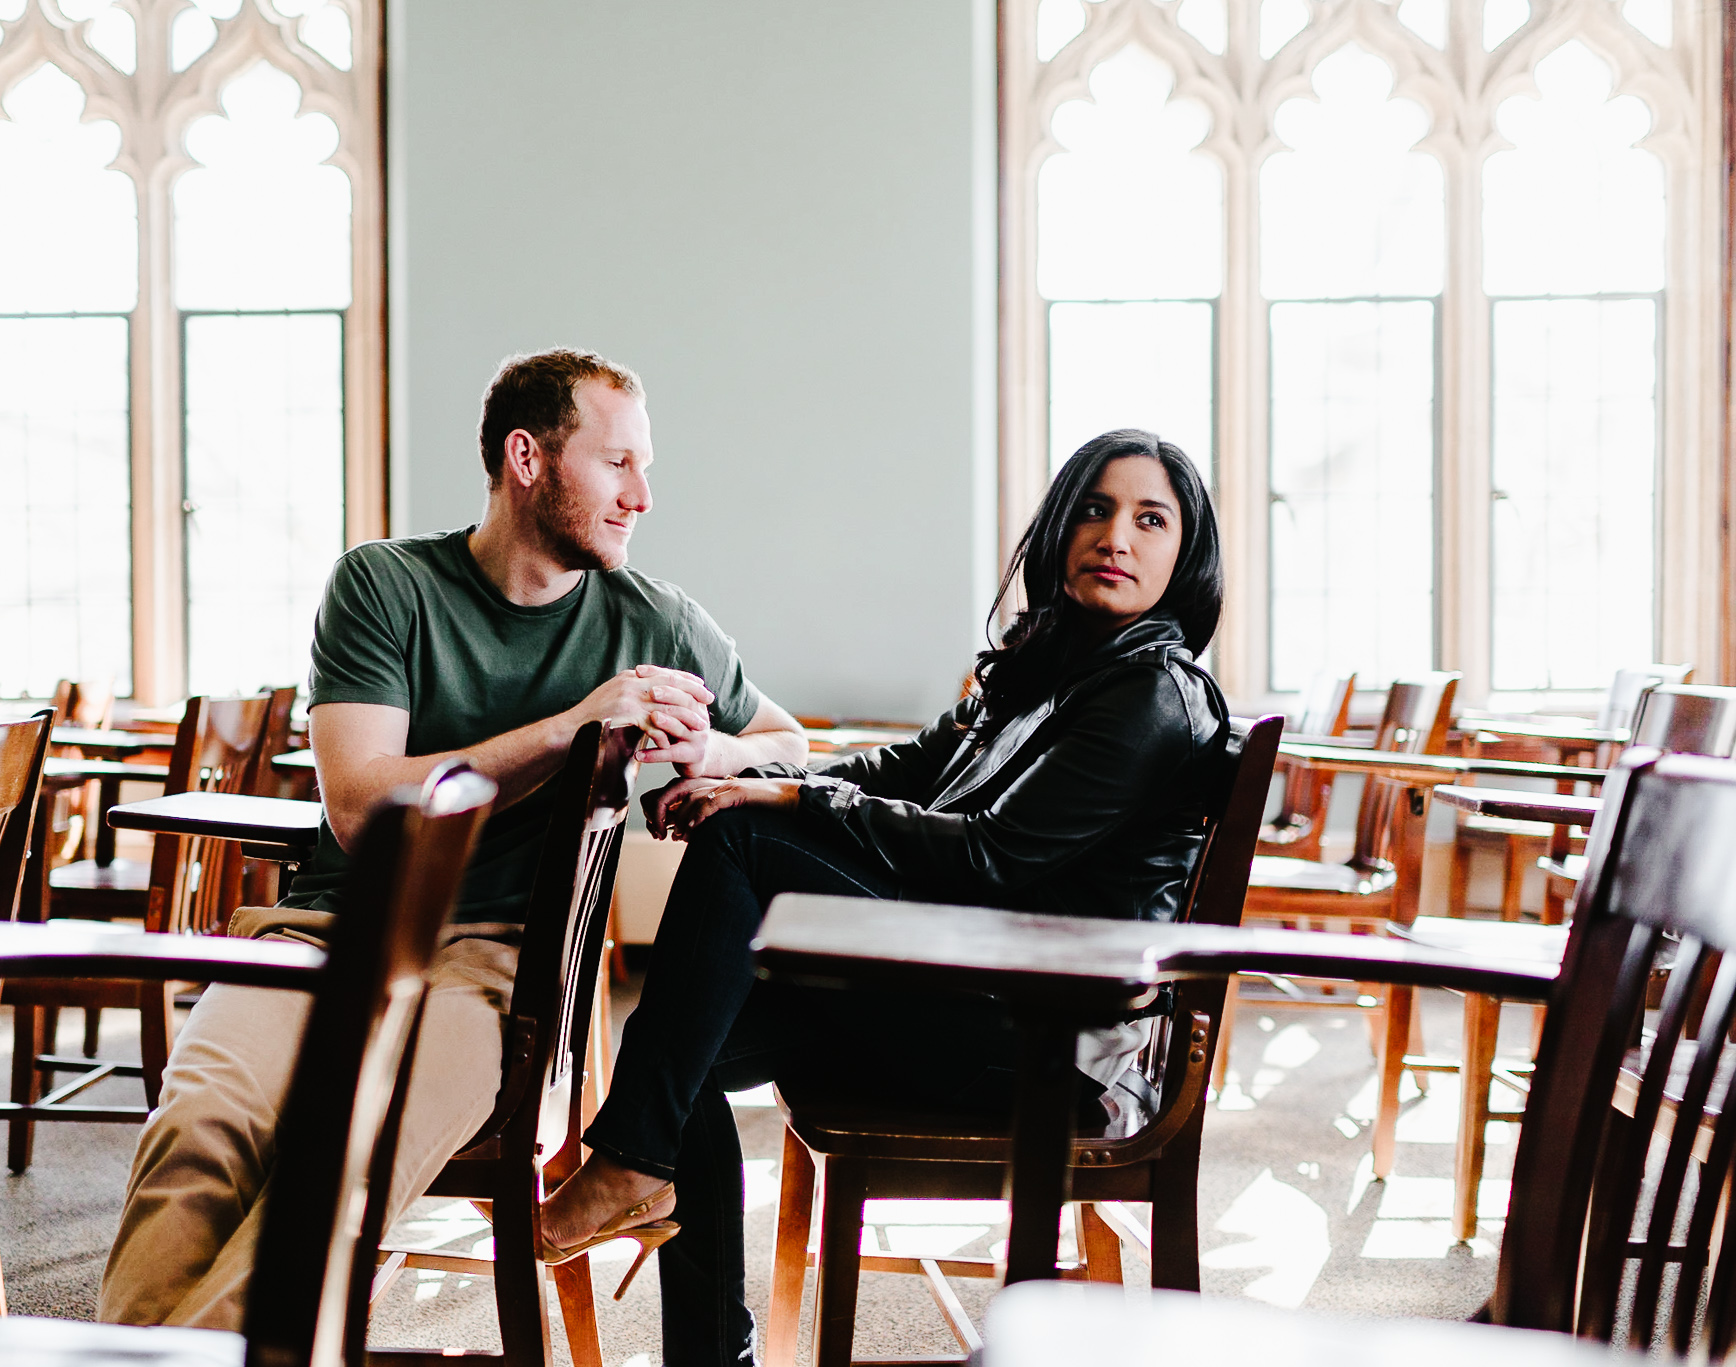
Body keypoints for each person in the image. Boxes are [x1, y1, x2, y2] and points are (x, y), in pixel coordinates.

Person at [98, 347, 808, 1327]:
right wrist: (572, 728)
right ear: (527, 457)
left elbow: (787, 740)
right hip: (323, 934)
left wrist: (711, 742)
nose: (641, 495)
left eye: (645, 467)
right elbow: (359, 804)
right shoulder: (385, 584)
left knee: (343, 1158)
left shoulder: (656, 619)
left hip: (493, 974)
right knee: (196, 1126)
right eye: (616, 463)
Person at [537, 428, 1229, 1364]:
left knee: (738, 852)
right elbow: (906, 766)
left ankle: (626, 1159)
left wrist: (777, 795)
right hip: (967, 991)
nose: (1119, 535)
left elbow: (989, 858)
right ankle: (697, 1328)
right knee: (681, 1040)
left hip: (1049, 1043)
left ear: (1184, 555)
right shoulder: (1053, 667)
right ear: (1063, 525)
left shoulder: (1150, 693)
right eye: (1099, 508)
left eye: (1153, 519)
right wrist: (766, 771)